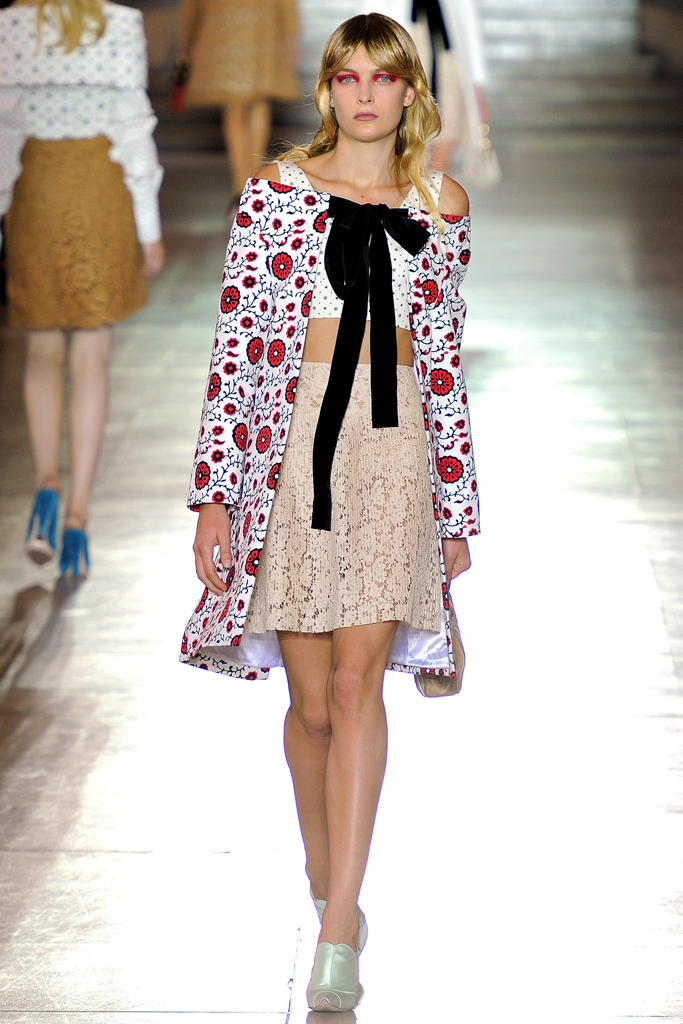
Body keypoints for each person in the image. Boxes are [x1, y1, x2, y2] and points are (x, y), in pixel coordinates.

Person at [181, 12, 479, 1011]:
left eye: (380, 77)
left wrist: (455, 506)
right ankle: (325, 880)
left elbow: (444, 363)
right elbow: (234, 348)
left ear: (407, 92)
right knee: (309, 705)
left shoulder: (440, 204)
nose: (363, 94)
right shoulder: (273, 195)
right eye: (346, 76)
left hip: (394, 454)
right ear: (326, 90)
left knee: (357, 689)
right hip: (290, 450)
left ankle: (339, 925)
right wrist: (213, 497)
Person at [0, 0, 164, 576]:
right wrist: (148, 228)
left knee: (42, 351)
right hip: (101, 190)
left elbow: (3, 135)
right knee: (91, 357)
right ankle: (77, 517)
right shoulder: (118, 24)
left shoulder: (11, 26)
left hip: (37, 189)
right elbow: (135, 134)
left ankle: (46, 482)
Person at [177, 0, 300, 210]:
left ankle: (240, 188)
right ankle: (254, 184)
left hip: (225, 21)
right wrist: (291, 32)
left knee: (234, 103)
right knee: (258, 100)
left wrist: (187, 35)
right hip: (263, 21)